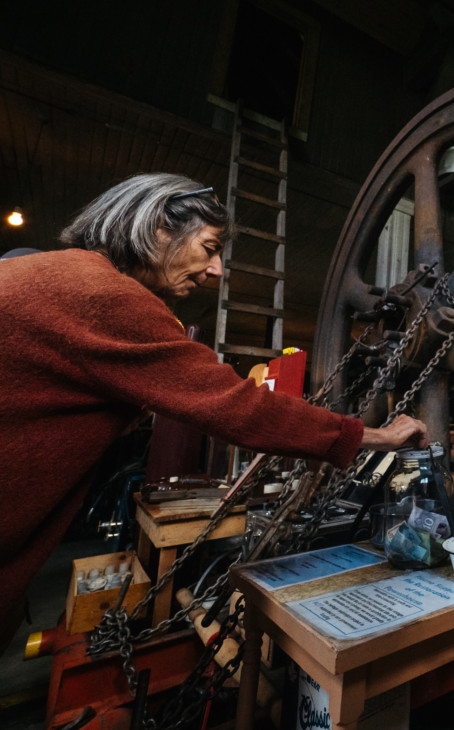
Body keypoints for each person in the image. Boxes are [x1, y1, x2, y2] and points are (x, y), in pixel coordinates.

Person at [0, 172, 428, 638]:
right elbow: (240, 408)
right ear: (160, 227)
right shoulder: (106, 295)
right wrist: (376, 436)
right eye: (208, 248)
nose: (217, 270)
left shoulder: (51, 272)